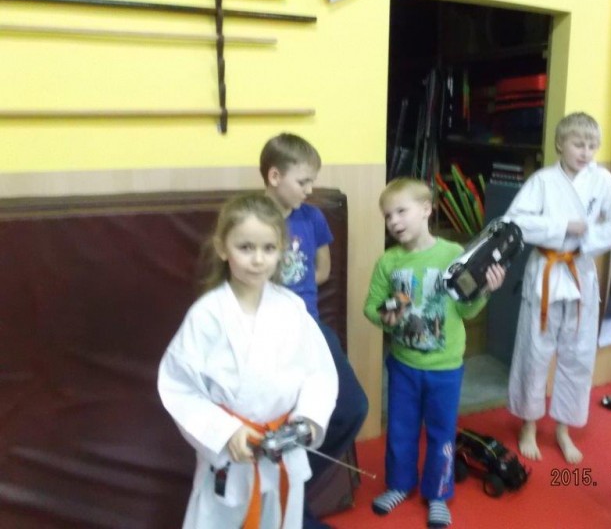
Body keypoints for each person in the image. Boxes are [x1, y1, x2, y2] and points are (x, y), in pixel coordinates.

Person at [158, 193, 338, 529]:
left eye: (269, 248)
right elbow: (179, 387)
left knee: (280, 519)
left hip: (283, 448)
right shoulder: (207, 315)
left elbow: (319, 375)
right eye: (245, 247)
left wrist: (308, 419)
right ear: (223, 248)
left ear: (282, 250)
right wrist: (226, 432)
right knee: (219, 519)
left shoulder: (292, 309)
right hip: (233, 454)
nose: (258, 259)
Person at [363, 177, 505, 529]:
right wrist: (384, 316)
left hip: (445, 368)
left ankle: (439, 494)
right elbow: (371, 307)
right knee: (400, 430)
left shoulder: (453, 255)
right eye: (387, 215)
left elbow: (466, 310)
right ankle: (399, 485)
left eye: (401, 211)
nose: (393, 221)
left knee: (442, 432)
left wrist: (485, 290)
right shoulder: (388, 261)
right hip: (403, 365)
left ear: (426, 209)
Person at [504, 112, 611, 464]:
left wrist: (586, 240)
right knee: (534, 352)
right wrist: (563, 226)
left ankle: (563, 428)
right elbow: (514, 223)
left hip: (579, 274)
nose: (586, 152)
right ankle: (529, 424)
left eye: (592, 146)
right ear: (560, 144)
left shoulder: (602, 180)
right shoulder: (542, 181)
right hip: (545, 273)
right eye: (578, 144)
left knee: (578, 355)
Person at [259, 133, 369, 529]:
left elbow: (322, 269)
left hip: (309, 327)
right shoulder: (254, 218)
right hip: (267, 335)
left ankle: (292, 489)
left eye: (312, 181)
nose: (310, 189)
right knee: (280, 419)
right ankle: (282, 509)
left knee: (353, 407)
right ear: (275, 176)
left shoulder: (312, 217)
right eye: (303, 181)